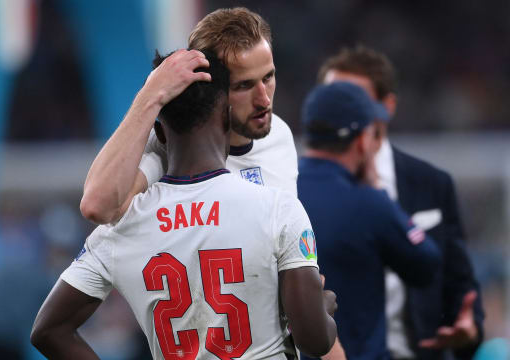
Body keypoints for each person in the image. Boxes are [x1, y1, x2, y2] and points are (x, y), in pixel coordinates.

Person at [31, 51, 338, 359]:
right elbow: (313, 340)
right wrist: (321, 309)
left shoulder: (120, 228)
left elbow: (48, 330)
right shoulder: (277, 208)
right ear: (226, 119)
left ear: (160, 133)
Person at [318, 46, 484, 360]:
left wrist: (469, 328)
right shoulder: (299, 189)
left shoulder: (432, 184)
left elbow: (460, 284)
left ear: (388, 107)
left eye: (352, 100)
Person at [79, 7, 298, 226]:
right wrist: (150, 95)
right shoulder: (175, 149)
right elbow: (96, 206)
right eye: (244, 86)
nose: (264, 100)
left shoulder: (280, 135)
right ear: (211, 88)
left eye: (268, 77)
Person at [297, 82, 442, 360]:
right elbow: (427, 265)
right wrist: (379, 192)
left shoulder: (280, 190)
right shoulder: (369, 202)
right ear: (362, 140)